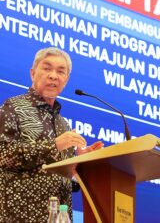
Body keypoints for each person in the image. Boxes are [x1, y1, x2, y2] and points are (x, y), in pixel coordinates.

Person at [0, 47, 103, 222]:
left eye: (60, 71)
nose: (53, 75)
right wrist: (54, 145)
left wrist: (79, 166)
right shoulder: (13, 108)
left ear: (66, 80)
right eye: (47, 68)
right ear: (33, 73)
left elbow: (61, 181)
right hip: (18, 216)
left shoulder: (64, 126)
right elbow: (4, 155)